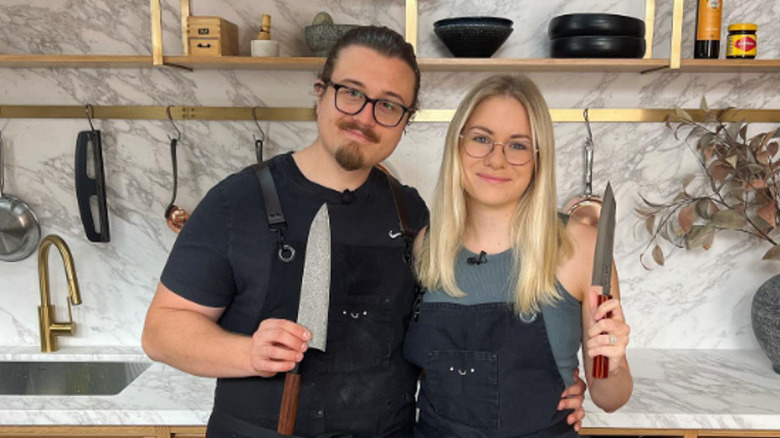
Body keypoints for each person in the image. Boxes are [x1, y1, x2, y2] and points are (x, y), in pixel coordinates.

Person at [142, 26, 586, 438]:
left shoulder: (410, 212)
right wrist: (247, 354)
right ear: (320, 93)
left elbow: (442, 338)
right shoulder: (236, 201)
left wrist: (546, 385)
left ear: (405, 121)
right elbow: (161, 332)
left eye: (388, 104)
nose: (364, 116)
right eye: (351, 93)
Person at [405, 74, 633, 437]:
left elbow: (610, 398)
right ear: (457, 145)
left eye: (518, 145)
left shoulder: (581, 248)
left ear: (538, 158)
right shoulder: (426, 246)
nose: (497, 160)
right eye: (481, 139)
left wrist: (615, 364)